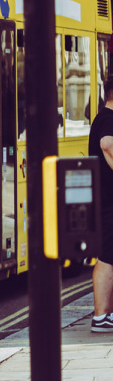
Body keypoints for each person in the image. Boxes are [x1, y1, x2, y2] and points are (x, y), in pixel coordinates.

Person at [87, 74, 113, 333]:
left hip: (106, 199)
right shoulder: (107, 119)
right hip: (108, 202)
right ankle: (101, 315)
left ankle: (106, 313)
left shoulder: (102, 118)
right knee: (107, 256)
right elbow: (107, 144)